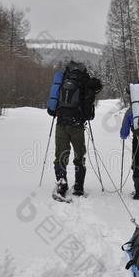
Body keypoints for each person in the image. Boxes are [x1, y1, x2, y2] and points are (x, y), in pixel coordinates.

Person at [52, 61, 102, 199]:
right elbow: (91, 99)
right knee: (79, 156)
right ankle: (79, 186)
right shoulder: (85, 79)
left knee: (61, 155)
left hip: (61, 123)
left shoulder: (63, 78)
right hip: (77, 125)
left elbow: (53, 104)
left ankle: (61, 184)